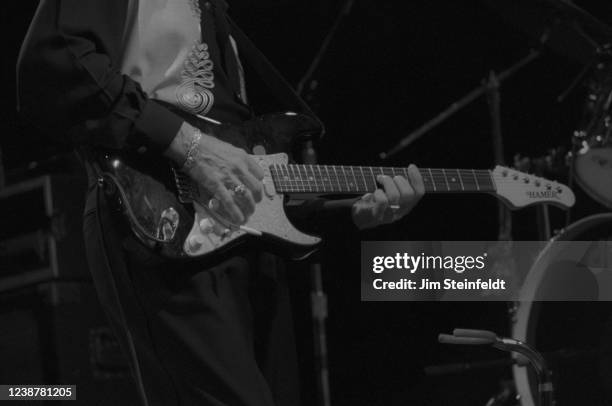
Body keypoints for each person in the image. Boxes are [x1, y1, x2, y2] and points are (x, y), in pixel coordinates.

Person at [17, 0, 424, 404]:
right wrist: (192, 148)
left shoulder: (219, 20)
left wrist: (352, 215)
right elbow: (53, 63)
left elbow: (243, 167)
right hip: (156, 221)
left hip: (244, 245)